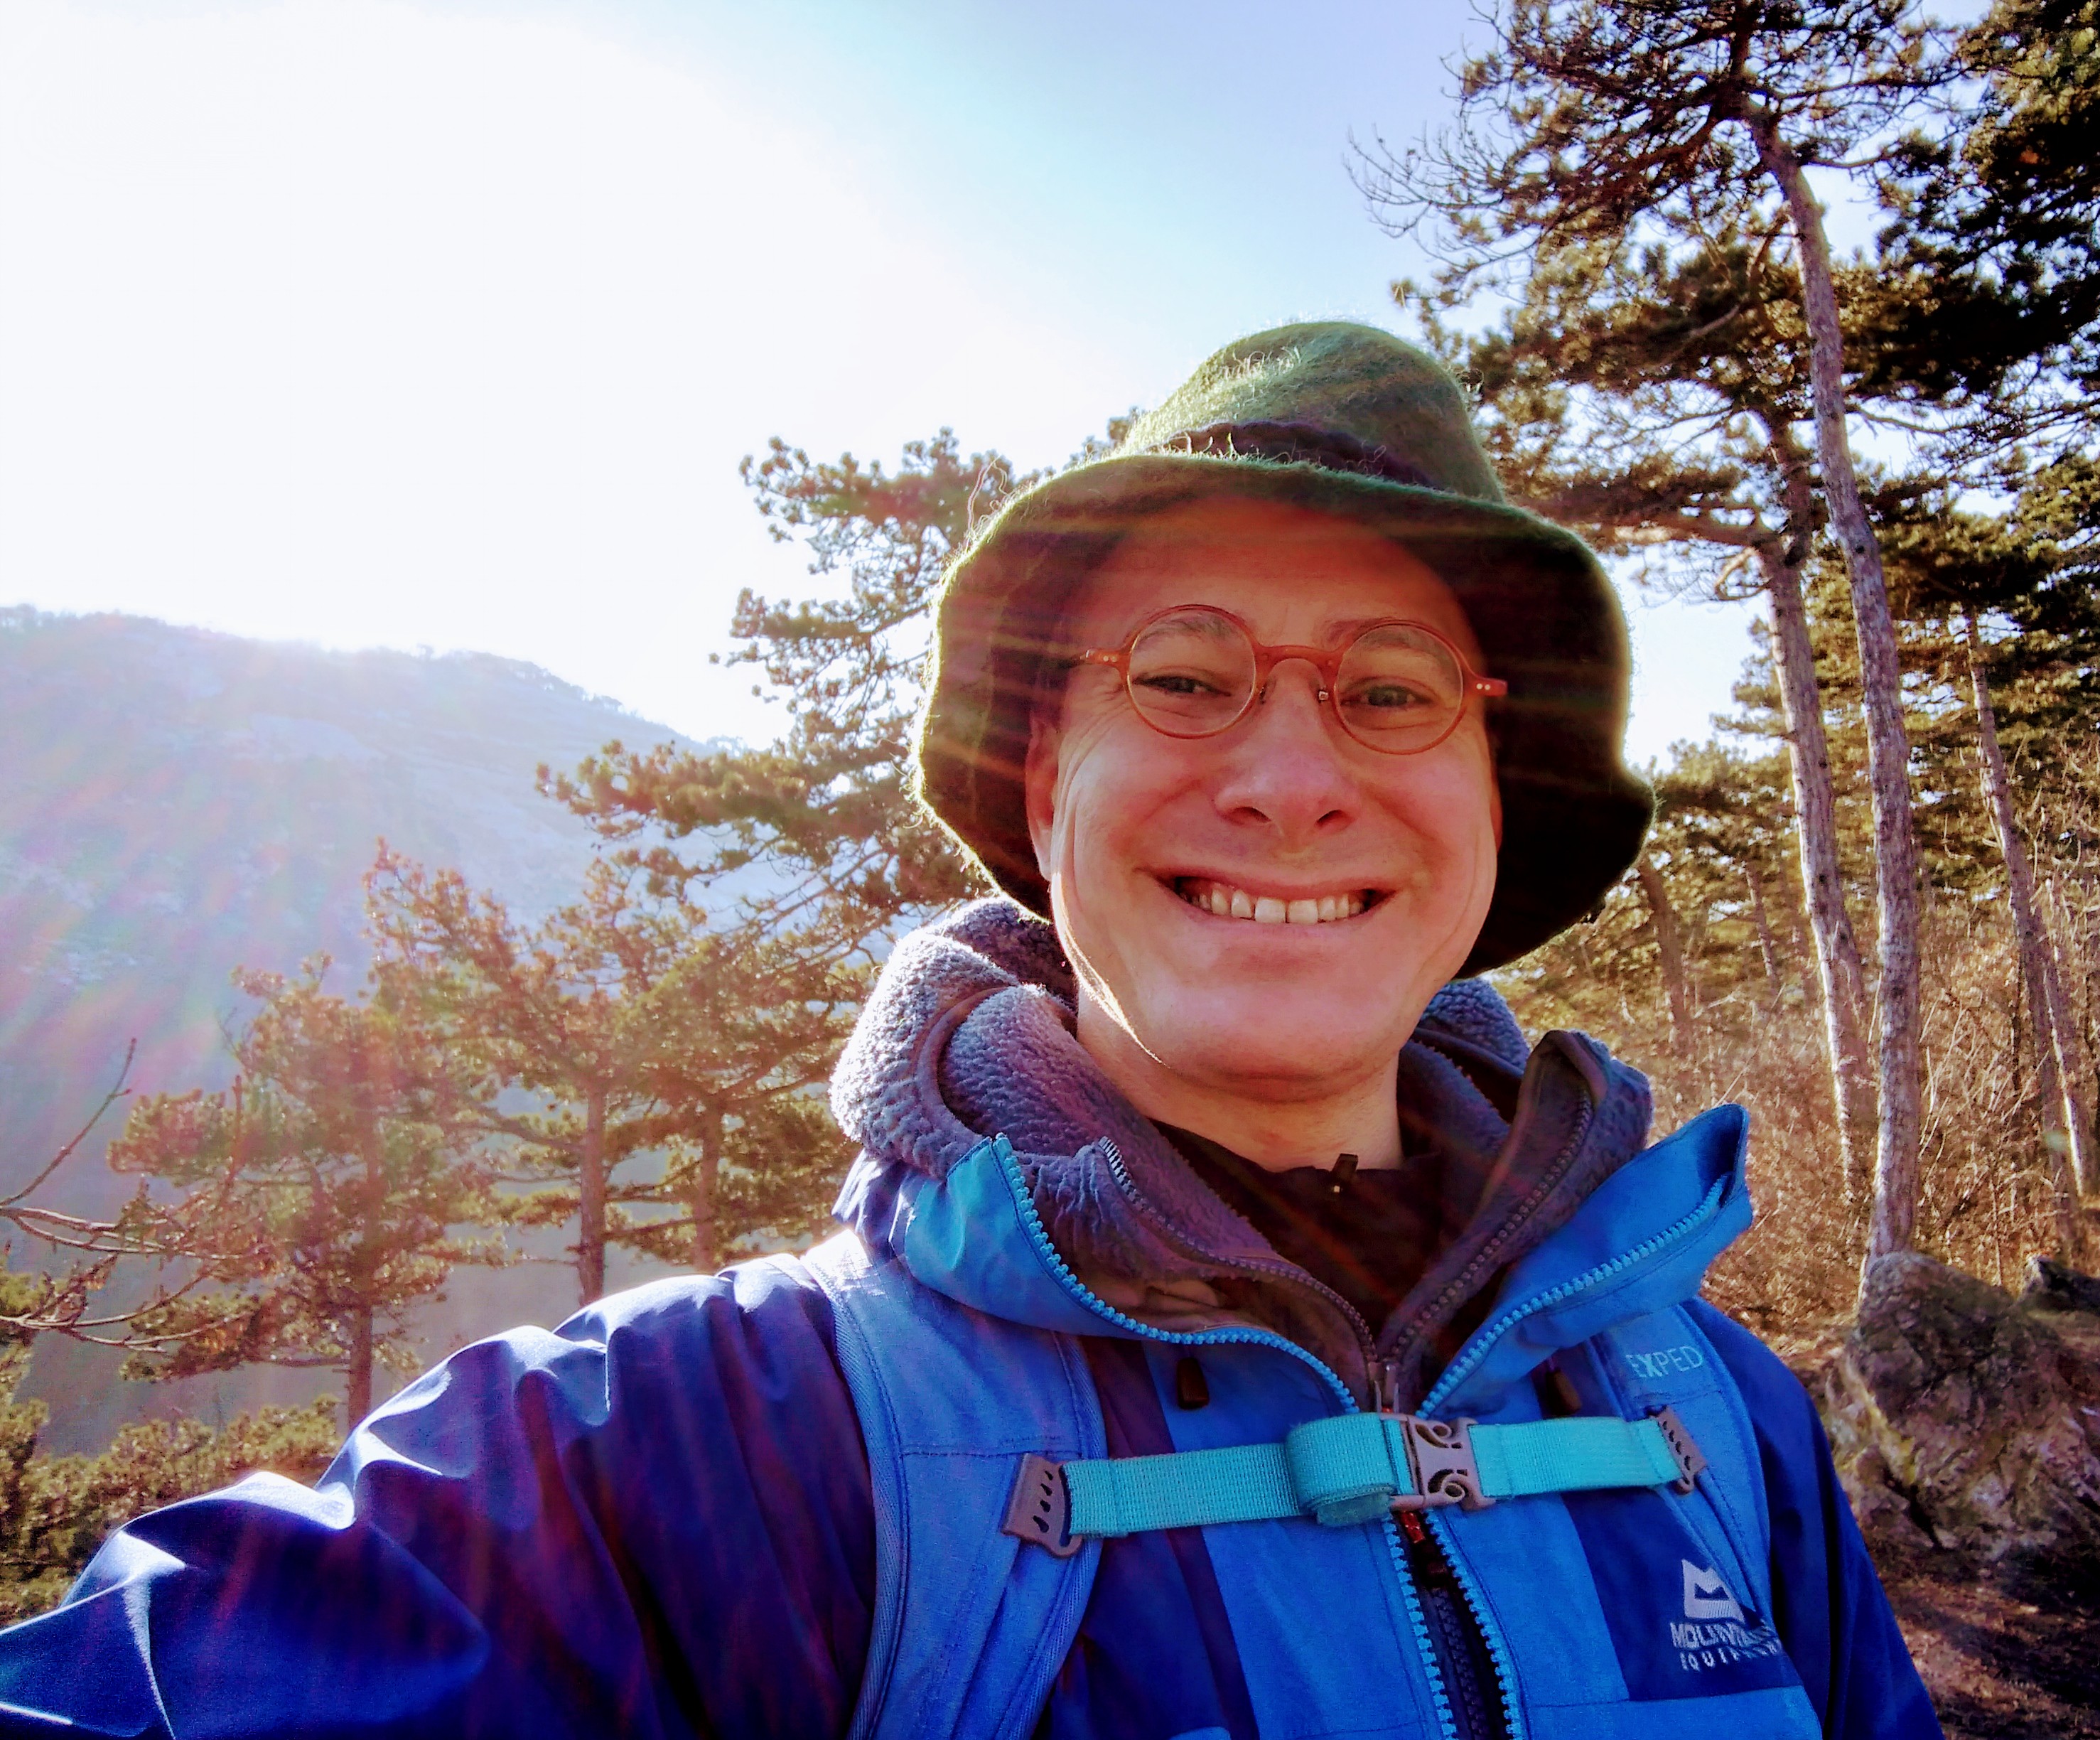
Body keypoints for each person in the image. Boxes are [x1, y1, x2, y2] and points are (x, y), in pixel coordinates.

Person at [0, 323, 1938, 1739]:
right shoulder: (719, 1447)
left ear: (1494, 798)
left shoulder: (1722, 1424)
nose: (1287, 777)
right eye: (1182, 675)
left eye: (1391, 691)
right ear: (1041, 784)